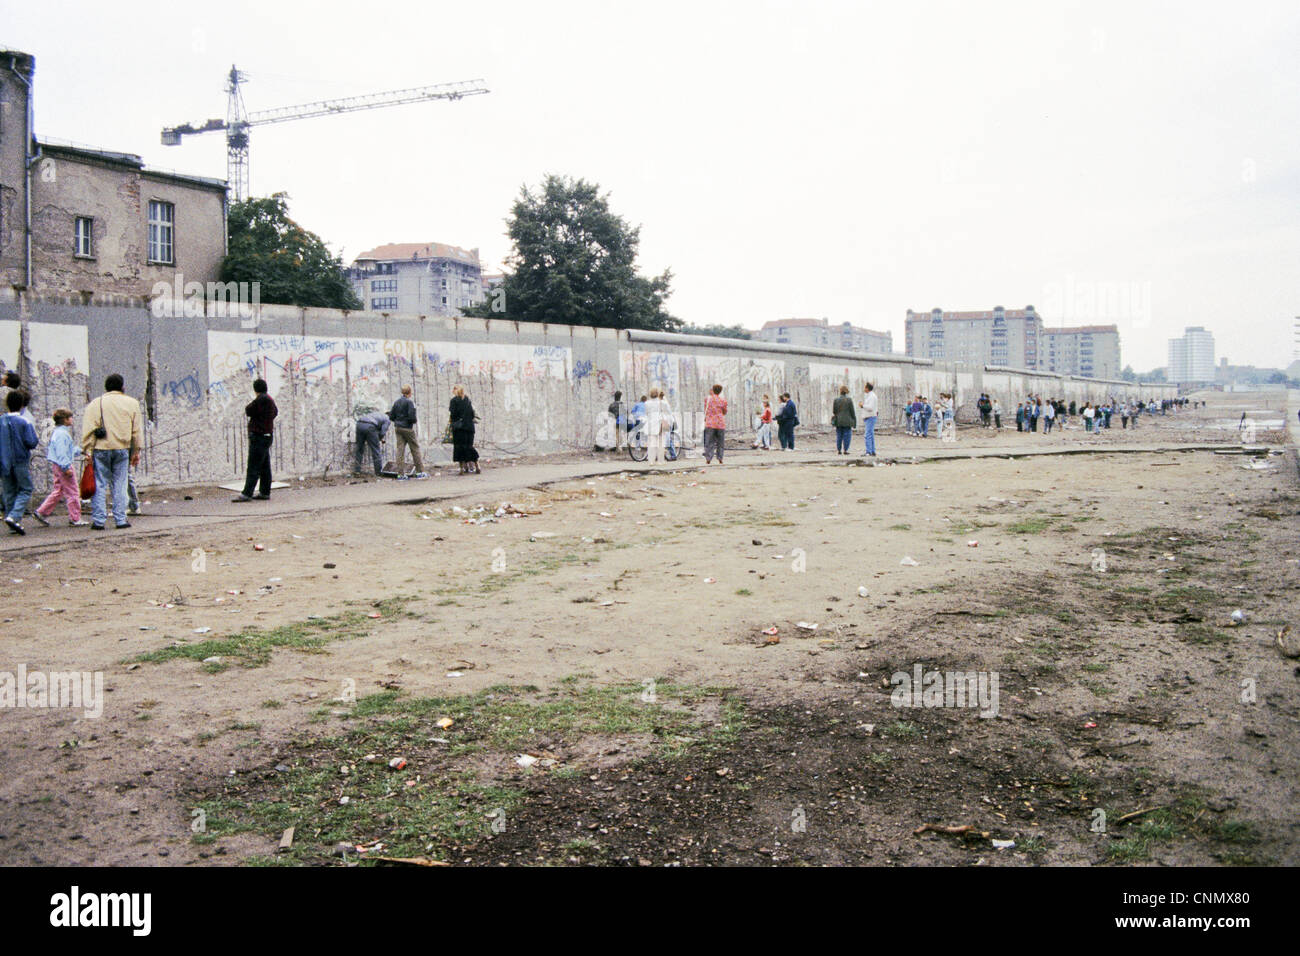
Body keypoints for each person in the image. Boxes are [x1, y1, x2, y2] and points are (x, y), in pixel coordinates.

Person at [80, 372, 142, 530]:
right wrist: (136, 451)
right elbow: (136, 431)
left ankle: (99, 520)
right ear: (123, 387)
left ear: (106, 387)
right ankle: (120, 519)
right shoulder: (132, 403)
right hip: (122, 448)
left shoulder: (96, 403)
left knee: (99, 484)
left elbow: (89, 428)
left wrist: (87, 449)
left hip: (101, 448)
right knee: (120, 484)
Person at [32, 408, 86, 526]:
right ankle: (75, 518)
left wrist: (80, 451)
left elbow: (66, 450)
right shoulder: (63, 434)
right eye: (70, 417)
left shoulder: (57, 432)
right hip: (63, 465)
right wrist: (66, 467)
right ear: (65, 420)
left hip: (57, 465)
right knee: (73, 492)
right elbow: (63, 452)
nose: (72, 419)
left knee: (59, 490)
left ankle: (42, 511)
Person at [233, 378, 278, 502]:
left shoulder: (261, 399)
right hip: (267, 435)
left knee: (253, 466)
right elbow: (275, 412)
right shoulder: (270, 400)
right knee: (264, 466)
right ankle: (264, 491)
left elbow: (248, 410)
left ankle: (247, 493)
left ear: (255, 389)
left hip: (259, 436)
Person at [1, 389, 39, 534]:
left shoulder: (1, 420)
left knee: (9, 491)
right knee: (25, 489)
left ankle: (12, 523)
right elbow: (31, 442)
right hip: (20, 460)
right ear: (22, 405)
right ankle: (14, 516)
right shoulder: (24, 421)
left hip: (4, 460)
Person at [388, 385, 426, 478]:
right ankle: (420, 471)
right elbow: (412, 417)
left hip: (398, 427)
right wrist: (413, 422)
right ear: (410, 392)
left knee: (400, 450)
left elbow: (391, 416)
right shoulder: (410, 402)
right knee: (415, 448)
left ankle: (400, 474)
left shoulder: (396, 402)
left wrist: (398, 421)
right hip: (407, 428)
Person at [449, 385, 480, 474]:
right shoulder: (467, 400)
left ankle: (462, 468)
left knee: (459, 448)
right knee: (469, 447)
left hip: (459, 428)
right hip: (469, 427)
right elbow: (471, 413)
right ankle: (477, 465)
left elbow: (453, 414)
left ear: (456, 391)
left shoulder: (454, 401)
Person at [353, 409, 390, 476]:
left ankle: (357, 470)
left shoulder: (378, 414)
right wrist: (379, 438)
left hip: (359, 424)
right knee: (376, 450)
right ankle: (378, 472)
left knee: (359, 449)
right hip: (370, 427)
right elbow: (382, 432)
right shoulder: (387, 419)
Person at [644, 388, 674, 465]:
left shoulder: (646, 403)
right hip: (659, 424)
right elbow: (668, 413)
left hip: (650, 425)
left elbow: (646, 414)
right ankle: (660, 461)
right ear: (657, 394)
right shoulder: (662, 403)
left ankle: (651, 461)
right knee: (660, 443)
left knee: (651, 443)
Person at [703, 384, 727, 464]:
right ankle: (720, 458)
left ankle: (708, 458)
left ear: (713, 390)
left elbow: (705, 409)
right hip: (720, 423)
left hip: (710, 423)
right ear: (720, 391)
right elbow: (724, 412)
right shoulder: (723, 400)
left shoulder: (708, 399)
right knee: (720, 442)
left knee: (709, 442)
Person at [832, 385, 856, 454]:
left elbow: (834, 411)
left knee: (839, 435)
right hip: (847, 421)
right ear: (846, 392)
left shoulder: (836, 400)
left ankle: (839, 450)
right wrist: (854, 421)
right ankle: (846, 450)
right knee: (847, 436)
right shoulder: (849, 400)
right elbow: (852, 411)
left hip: (838, 421)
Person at [859, 383, 878, 458]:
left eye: (865, 387)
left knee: (868, 435)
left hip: (870, 417)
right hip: (870, 417)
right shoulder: (871, 396)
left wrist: (862, 406)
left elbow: (870, 407)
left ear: (867, 388)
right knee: (871, 434)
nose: (864, 389)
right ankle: (872, 451)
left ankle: (869, 451)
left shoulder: (872, 396)